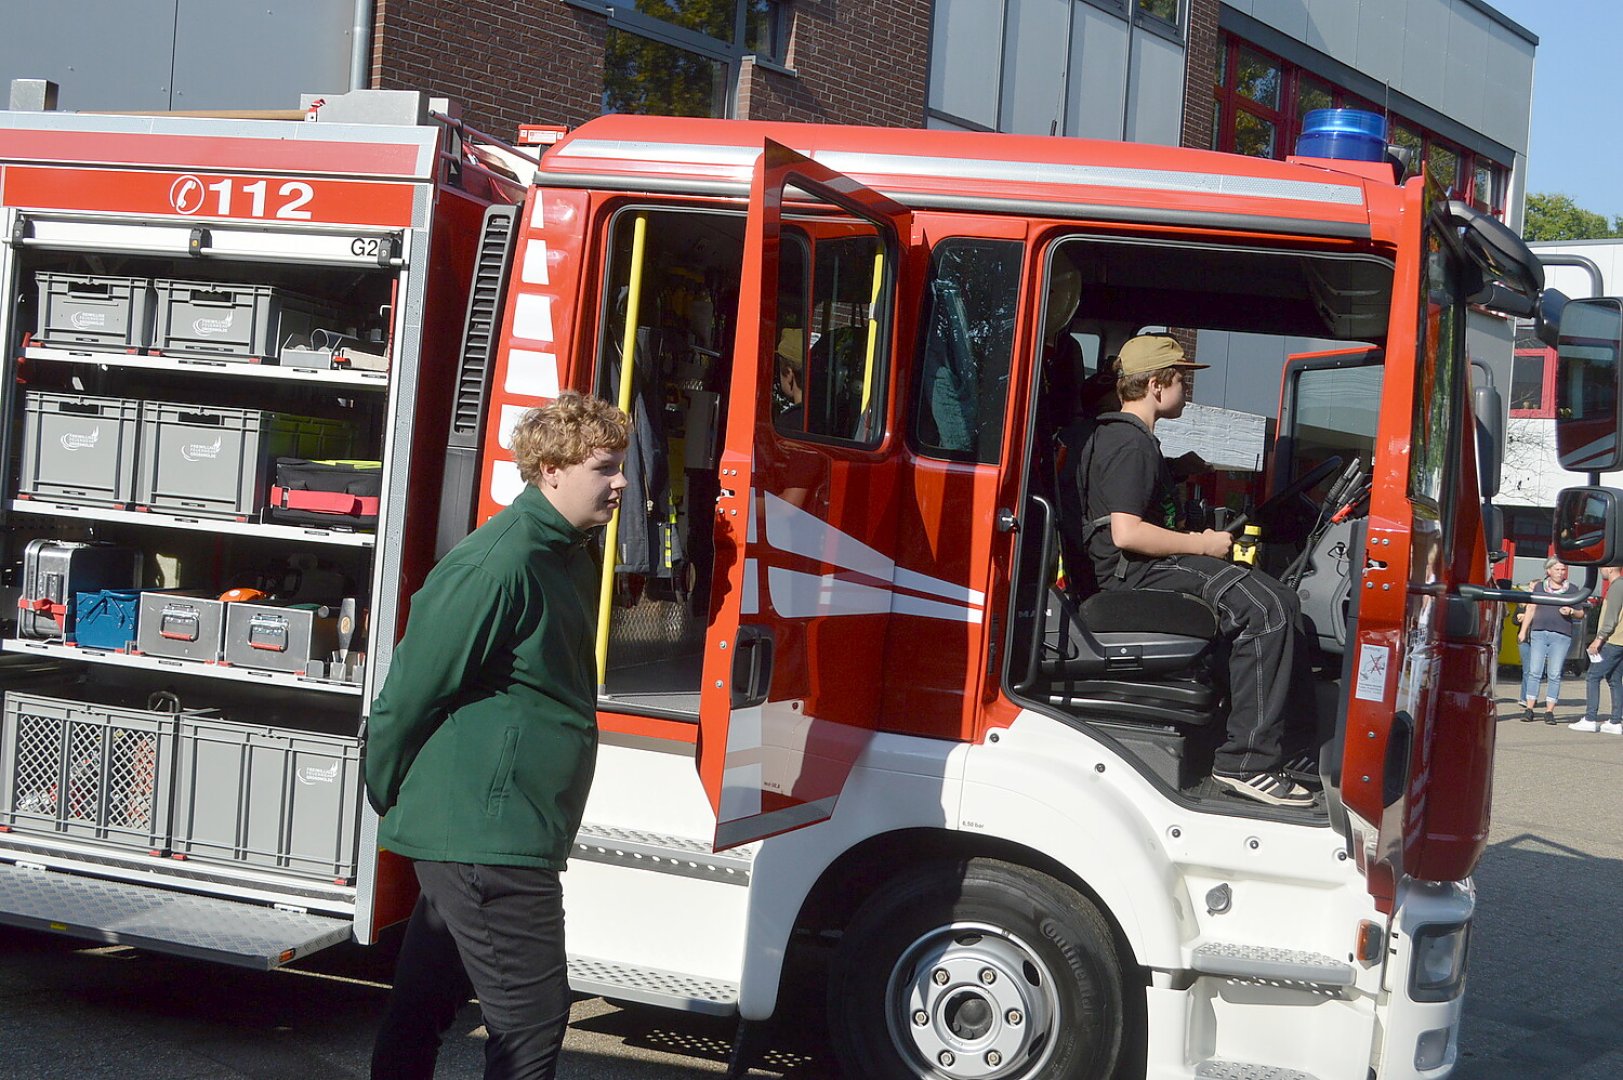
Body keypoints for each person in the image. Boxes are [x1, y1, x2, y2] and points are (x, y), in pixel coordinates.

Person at [365, 390, 630, 1080]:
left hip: (495, 831)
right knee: (532, 1023)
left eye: (621, 465)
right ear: (549, 470)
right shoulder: (496, 565)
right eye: (605, 467)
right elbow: (409, 692)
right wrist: (387, 787)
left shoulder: (566, 553)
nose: (621, 481)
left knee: (422, 1005)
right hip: (488, 838)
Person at [1079, 333, 1314, 808]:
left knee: (1284, 601)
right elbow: (1126, 533)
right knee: (1265, 609)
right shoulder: (1128, 443)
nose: (1187, 389)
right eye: (1182, 380)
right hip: (1137, 573)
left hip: (1147, 567)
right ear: (1157, 386)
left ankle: (1293, 751)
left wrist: (1176, 470)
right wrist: (1203, 544)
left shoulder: (1126, 439)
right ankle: (1246, 763)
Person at [1516, 557, 1584, 724]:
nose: (1561, 573)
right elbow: (1531, 608)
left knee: (1554, 673)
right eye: (1557, 569)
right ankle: (1529, 709)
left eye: (1563, 569)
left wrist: (1570, 611)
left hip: (1561, 635)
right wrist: (1523, 631)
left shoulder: (1572, 589)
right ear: (1549, 571)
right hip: (1539, 632)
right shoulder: (1539, 586)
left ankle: (1549, 711)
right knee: (1534, 671)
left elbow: (1581, 613)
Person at [1572, 564, 1623, 734]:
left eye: (1603, 567)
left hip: (1613, 640)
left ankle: (1590, 718)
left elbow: (1611, 618)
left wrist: (1598, 639)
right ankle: (1615, 721)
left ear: (1611, 568)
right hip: (1620, 641)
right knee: (1614, 680)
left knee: (1593, 676)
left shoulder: (1617, 586)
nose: (1601, 570)